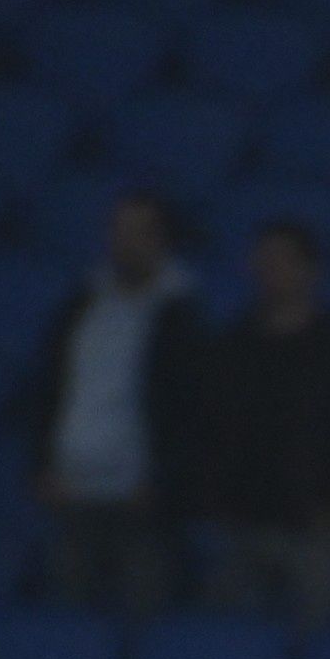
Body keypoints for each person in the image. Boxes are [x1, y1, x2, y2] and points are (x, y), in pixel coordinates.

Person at [188, 220, 330, 625]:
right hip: (243, 521)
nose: (269, 270)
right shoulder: (233, 344)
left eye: (281, 261)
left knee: (317, 642)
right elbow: (208, 425)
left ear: (309, 270)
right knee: (231, 641)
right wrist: (217, 496)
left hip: (316, 525)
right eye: (263, 261)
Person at [30, 188, 209, 616]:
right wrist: (42, 464)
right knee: (66, 622)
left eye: (138, 232)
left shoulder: (180, 317)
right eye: (118, 230)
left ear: (161, 239)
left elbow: (192, 411)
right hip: (74, 493)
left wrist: (163, 481)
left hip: (140, 501)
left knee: (144, 614)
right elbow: (49, 388)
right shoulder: (81, 306)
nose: (124, 241)